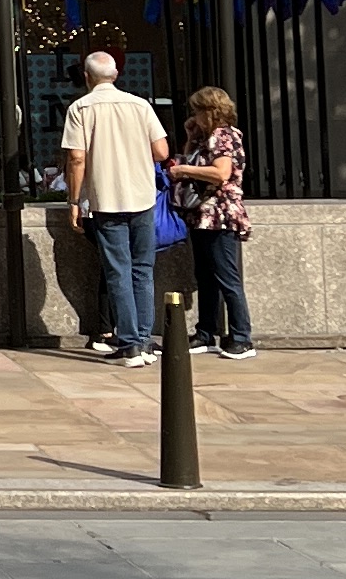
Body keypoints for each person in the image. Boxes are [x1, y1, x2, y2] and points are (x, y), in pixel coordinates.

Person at [60, 49, 171, 364]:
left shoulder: (81, 108)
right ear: (116, 75)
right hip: (142, 197)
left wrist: (74, 201)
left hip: (107, 199)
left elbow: (76, 158)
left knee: (118, 271)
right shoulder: (140, 105)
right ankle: (144, 340)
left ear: (87, 77)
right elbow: (161, 151)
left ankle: (129, 343)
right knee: (142, 270)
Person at [172, 84, 257, 357]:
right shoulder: (205, 138)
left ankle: (241, 337)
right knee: (206, 276)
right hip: (202, 215)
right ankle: (205, 332)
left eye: (197, 111)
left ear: (210, 111)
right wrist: (190, 139)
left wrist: (184, 169)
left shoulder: (224, 136)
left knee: (226, 277)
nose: (194, 116)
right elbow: (190, 159)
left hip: (218, 214)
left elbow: (221, 173)